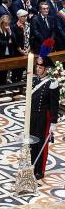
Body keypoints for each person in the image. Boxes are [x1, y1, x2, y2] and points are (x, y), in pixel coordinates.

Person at [29, 52, 60, 180]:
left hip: (43, 117)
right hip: (33, 116)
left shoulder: (52, 83)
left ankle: (39, 170)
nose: (38, 69)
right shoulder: (35, 80)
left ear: (46, 69)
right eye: (37, 66)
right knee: (32, 141)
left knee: (41, 143)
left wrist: (53, 122)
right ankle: (33, 165)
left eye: (40, 68)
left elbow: (54, 105)